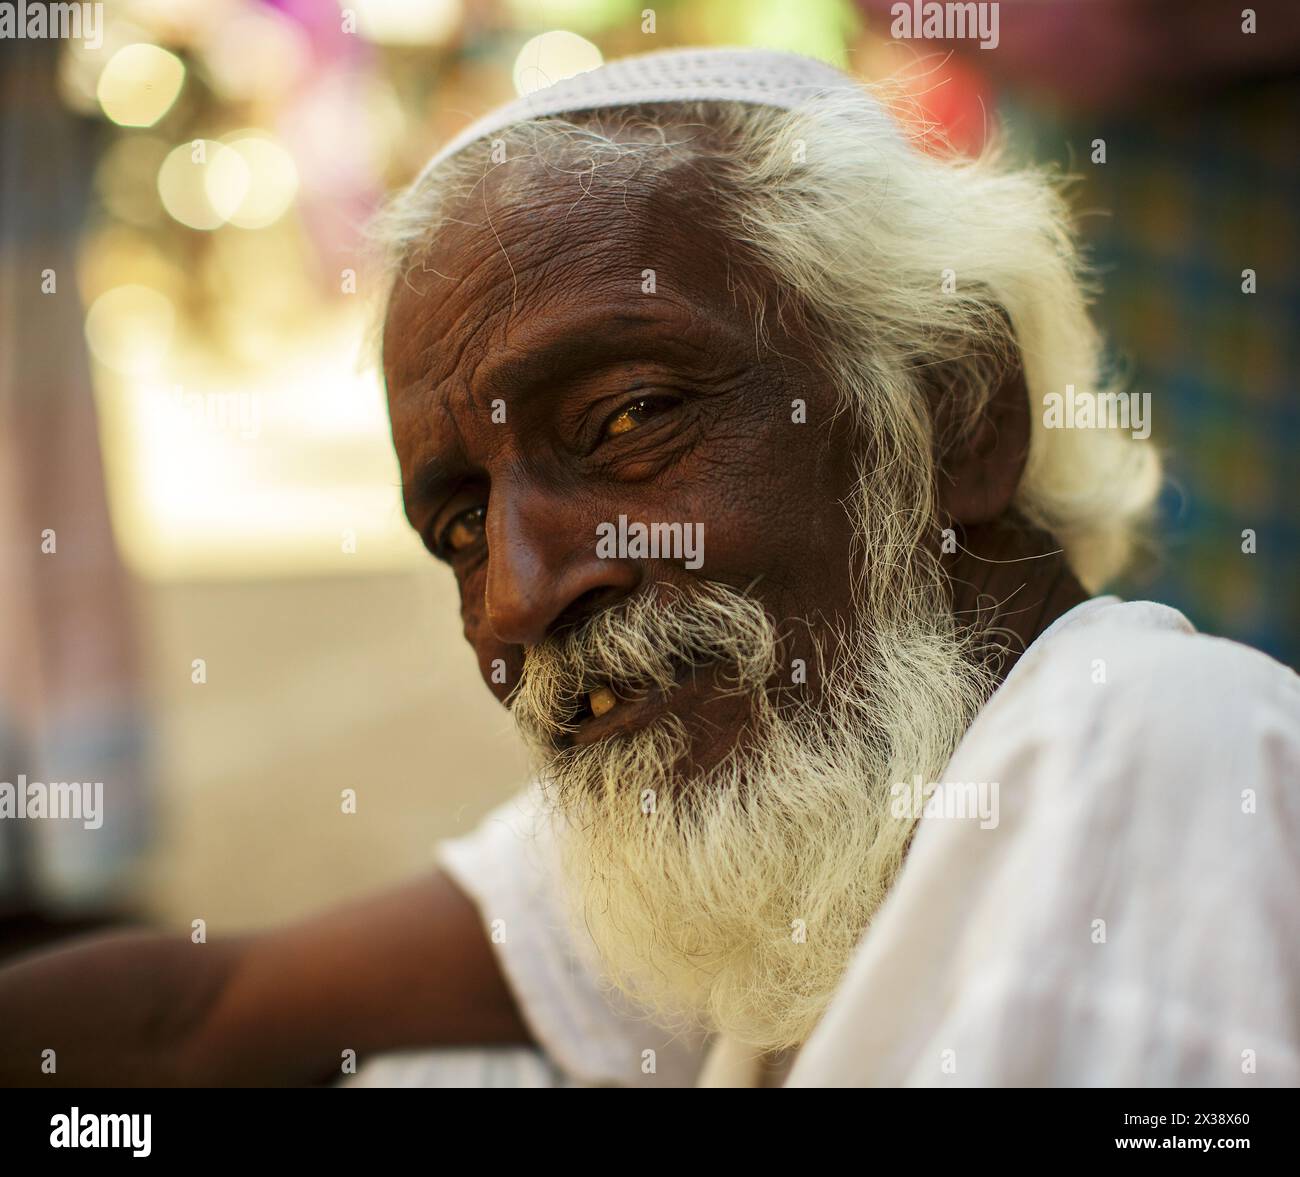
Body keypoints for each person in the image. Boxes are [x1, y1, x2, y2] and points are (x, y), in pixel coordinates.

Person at [1, 48, 1296, 1089]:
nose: (514, 596)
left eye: (626, 419)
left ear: (953, 411)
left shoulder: (1158, 747)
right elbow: (200, 1015)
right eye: (459, 526)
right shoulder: (802, 800)